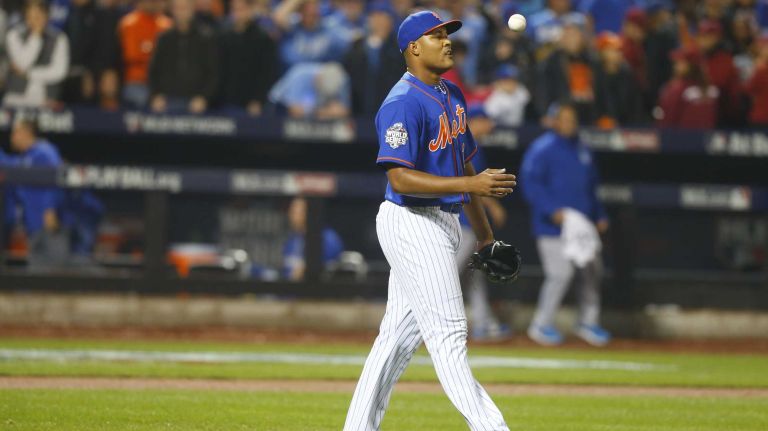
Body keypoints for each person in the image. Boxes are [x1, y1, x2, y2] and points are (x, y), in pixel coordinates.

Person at [343, 11, 516, 431]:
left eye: (448, 34)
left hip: (443, 222)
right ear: (413, 48)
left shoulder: (452, 94)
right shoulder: (401, 102)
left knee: (396, 342)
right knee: (450, 334)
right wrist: (470, 185)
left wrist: (485, 240)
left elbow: (466, 169)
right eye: (436, 35)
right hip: (410, 221)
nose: (447, 41)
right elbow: (400, 178)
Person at [520, 102, 611, 347]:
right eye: (565, 119)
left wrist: (599, 214)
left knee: (592, 272)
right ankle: (541, 324)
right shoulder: (542, 149)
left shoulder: (582, 149)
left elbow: (592, 187)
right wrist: (552, 211)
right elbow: (530, 186)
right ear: (554, 121)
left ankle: (587, 322)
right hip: (552, 226)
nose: (570, 123)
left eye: (573, 119)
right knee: (560, 274)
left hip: (582, 227)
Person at [458, 105, 511, 341]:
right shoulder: (468, 145)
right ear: (475, 121)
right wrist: (494, 207)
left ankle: (484, 322)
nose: (490, 125)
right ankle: (423, 323)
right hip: (461, 221)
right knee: (449, 274)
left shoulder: (472, 145)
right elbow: (473, 185)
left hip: (464, 219)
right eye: (486, 120)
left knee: (473, 273)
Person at [2, 117, 67, 269]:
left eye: (15, 133)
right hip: (32, 220)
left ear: (26, 133)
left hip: (46, 217)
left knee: (52, 265)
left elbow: (56, 181)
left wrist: (50, 209)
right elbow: (8, 164)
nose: (12, 138)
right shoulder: (26, 156)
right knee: (36, 263)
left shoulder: (44, 151)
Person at [148, 0, 218, 114]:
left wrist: (204, 98)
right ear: (172, 10)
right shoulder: (164, 39)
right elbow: (153, 70)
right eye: (178, 8)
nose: (181, 12)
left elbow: (214, 72)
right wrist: (156, 95)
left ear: (192, 10)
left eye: (184, 8)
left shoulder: (206, 38)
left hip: (196, 102)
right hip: (167, 101)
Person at [3, 0, 70, 108]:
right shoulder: (14, 35)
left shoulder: (59, 38)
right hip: (16, 98)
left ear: (47, 15)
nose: (35, 20)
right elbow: (23, 63)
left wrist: (28, 74)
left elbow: (60, 71)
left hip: (47, 99)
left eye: (39, 15)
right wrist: (36, 36)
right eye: (31, 16)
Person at [217, 0, 278, 116]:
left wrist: (258, 100)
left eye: (242, 9)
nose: (238, 14)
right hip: (226, 102)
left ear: (250, 10)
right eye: (235, 10)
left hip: (252, 104)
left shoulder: (263, 39)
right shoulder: (224, 37)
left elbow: (267, 73)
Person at [117, 0, 172, 109]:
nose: (153, 4)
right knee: (142, 98)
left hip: (163, 83)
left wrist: (147, 49)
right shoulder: (129, 23)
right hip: (137, 81)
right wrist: (154, 53)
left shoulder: (167, 25)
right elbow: (131, 56)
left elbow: (171, 58)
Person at [656, 46, 719, 129]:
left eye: (680, 63)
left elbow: (667, 119)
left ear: (692, 65)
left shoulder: (677, 89)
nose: (676, 67)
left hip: (679, 138)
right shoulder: (712, 89)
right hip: (707, 139)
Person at [282, 197, 344, 281]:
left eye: (294, 212)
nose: (290, 215)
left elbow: (328, 276)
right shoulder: (293, 239)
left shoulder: (328, 239)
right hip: (288, 292)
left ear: (307, 213)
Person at [267, 62, 351, 119]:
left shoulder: (342, 79)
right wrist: (324, 112)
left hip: (313, 109)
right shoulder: (300, 74)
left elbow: (344, 112)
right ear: (318, 79)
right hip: (279, 106)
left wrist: (318, 112)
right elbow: (295, 111)